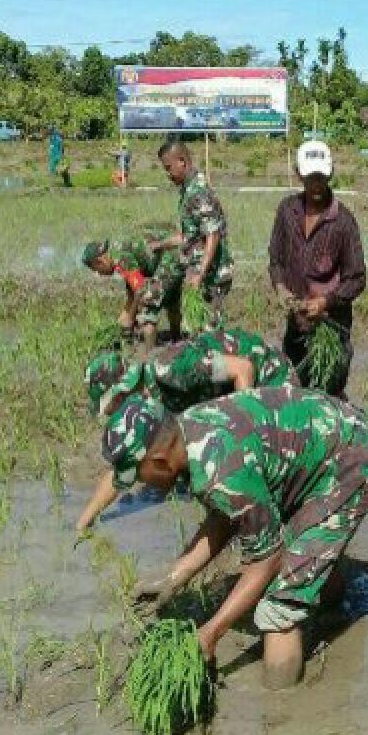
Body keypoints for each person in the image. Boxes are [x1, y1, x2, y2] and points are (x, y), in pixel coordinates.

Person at [102, 387, 368, 688]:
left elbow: (267, 560)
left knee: (278, 604)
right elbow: (227, 515)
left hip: (350, 463)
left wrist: (210, 633)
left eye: (139, 476)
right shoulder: (189, 434)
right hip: (326, 442)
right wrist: (175, 576)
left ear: (159, 461)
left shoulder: (222, 471)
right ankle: (331, 607)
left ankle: (283, 711)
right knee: (302, 551)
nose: (140, 486)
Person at [77, 327, 298, 534]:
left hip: (269, 379)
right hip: (230, 396)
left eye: (109, 409)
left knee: (266, 469)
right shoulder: (146, 408)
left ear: (120, 393)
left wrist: (242, 435)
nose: (111, 417)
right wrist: (83, 523)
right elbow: (124, 465)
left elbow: (243, 369)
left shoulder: (171, 369)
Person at [267, 140, 366, 398]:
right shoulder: (287, 211)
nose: (316, 185)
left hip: (331, 327)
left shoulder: (343, 222)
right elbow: (275, 258)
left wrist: (325, 301)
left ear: (330, 173)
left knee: (329, 395)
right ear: (299, 173)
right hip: (296, 325)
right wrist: (280, 288)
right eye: (311, 178)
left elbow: (356, 278)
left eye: (321, 177)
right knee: (295, 392)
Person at [145, 142, 235, 339]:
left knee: (210, 335)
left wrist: (200, 273)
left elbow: (213, 234)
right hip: (200, 272)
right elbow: (188, 236)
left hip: (212, 274)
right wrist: (159, 245)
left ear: (182, 162)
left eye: (169, 168)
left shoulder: (199, 192)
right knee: (198, 330)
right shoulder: (187, 190)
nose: (167, 174)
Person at [81, 238, 167, 345]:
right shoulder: (116, 254)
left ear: (100, 261)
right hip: (160, 263)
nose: (98, 274)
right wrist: (122, 323)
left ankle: (150, 352)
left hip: (169, 260)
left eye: (96, 269)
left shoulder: (122, 259)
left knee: (145, 312)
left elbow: (141, 290)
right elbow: (132, 294)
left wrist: (130, 319)